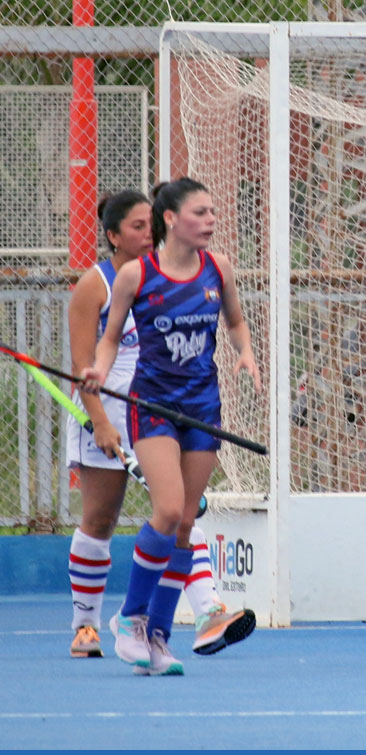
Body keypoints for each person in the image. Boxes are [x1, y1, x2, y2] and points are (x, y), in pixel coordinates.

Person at [82, 178, 261, 676]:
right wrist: (99, 370)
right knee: (165, 509)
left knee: (184, 522)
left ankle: (158, 639)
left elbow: (235, 322)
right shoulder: (136, 275)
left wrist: (245, 351)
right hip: (154, 406)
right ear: (171, 219)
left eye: (212, 211)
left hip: (202, 408)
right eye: (200, 212)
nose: (210, 220)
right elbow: (110, 338)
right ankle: (130, 619)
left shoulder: (218, 268)